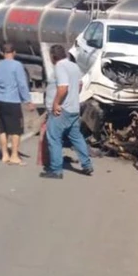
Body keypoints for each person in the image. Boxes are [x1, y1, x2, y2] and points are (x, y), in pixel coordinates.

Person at [40, 43, 93, 179]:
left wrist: (56, 103)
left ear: (53, 56)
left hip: (62, 110)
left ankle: (56, 170)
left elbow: (63, 88)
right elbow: (80, 85)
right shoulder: (74, 66)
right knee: (76, 137)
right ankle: (87, 165)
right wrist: (73, 97)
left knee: (54, 137)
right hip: (74, 108)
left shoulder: (60, 67)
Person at [0, 43, 32, 164]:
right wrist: (27, 100)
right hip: (12, 101)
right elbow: (22, 84)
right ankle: (14, 155)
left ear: (3, 53)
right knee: (16, 130)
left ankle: (4, 155)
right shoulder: (17, 65)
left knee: (3, 129)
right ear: (14, 52)